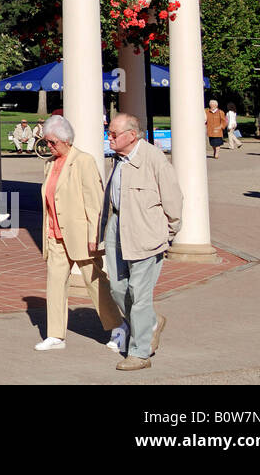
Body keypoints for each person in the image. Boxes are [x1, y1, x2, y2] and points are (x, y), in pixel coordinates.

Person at [34, 115, 124, 352]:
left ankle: (118, 327)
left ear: (66, 140)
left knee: (94, 283)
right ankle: (55, 335)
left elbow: (95, 201)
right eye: (46, 142)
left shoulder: (83, 161)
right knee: (54, 284)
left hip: (81, 234)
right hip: (54, 234)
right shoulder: (50, 164)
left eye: (52, 142)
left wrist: (95, 234)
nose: (49, 147)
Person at [101, 112, 183, 371]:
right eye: (108, 132)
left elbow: (173, 199)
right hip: (117, 228)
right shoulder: (118, 159)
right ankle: (152, 322)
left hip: (146, 232)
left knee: (139, 293)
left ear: (132, 135)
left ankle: (140, 352)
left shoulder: (153, 159)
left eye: (114, 133)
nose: (109, 137)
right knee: (116, 288)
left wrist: (167, 233)